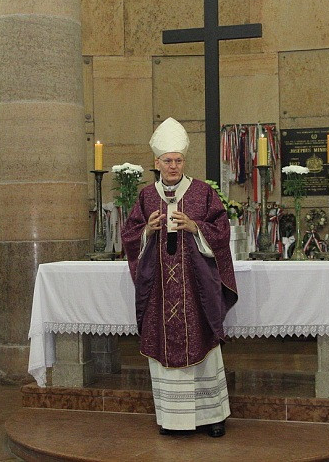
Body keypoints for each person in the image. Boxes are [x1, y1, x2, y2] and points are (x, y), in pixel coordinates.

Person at [121, 117, 238, 438]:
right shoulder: (147, 196)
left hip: (196, 289)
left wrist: (196, 227)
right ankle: (172, 419)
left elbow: (222, 231)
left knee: (204, 346)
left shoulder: (202, 192)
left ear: (184, 161)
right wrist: (147, 230)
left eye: (178, 160)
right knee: (163, 347)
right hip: (160, 290)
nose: (173, 166)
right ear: (156, 162)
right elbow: (129, 234)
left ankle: (213, 417)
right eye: (167, 161)